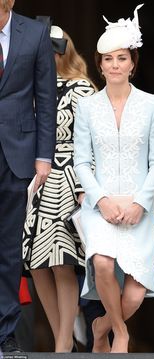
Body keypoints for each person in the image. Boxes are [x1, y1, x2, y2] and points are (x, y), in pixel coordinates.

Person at [74, 4, 154, 353]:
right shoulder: (88, 107)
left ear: (133, 63)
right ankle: (121, 334)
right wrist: (101, 200)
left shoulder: (153, 104)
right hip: (101, 206)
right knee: (101, 261)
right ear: (99, 65)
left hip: (138, 208)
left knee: (136, 291)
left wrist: (140, 203)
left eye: (122, 58)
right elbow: (81, 161)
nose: (115, 65)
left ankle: (101, 327)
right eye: (108, 59)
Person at [23, 25, 95, 353]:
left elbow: (90, 143)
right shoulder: (30, 90)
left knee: (61, 260)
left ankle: (64, 344)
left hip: (67, 179)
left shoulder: (82, 89)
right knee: (36, 263)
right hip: (34, 183)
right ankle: (61, 340)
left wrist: (83, 187)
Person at [0, 0, 56, 353]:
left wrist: (43, 156)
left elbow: (45, 97)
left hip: (17, 155)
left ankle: (4, 333)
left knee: (8, 250)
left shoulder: (34, 34)